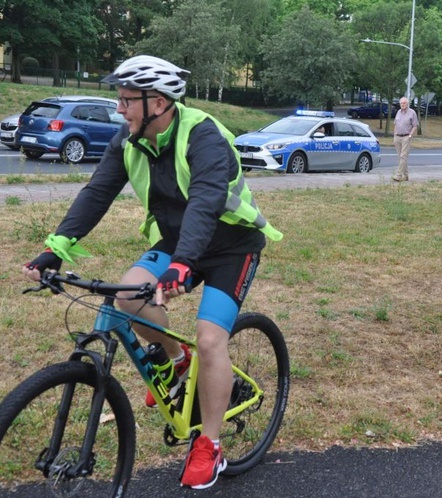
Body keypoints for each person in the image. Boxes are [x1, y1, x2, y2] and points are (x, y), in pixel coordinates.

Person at [21, 55, 283, 490]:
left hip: (230, 247)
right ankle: (178, 363)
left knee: (211, 337)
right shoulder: (128, 139)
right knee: (128, 296)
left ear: (157, 102)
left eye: (126, 101)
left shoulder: (203, 135)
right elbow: (98, 191)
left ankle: (210, 445)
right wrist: (56, 247)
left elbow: (205, 200)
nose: (119, 110)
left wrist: (183, 266)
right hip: (178, 243)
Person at [392, 97, 419, 182]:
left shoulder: (412, 112)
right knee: (401, 157)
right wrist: (394, 135)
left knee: (403, 156)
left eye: (404, 103)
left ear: (407, 104)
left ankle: (399, 175)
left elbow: (415, 125)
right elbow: (395, 124)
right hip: (397, 136)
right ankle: (406, 175)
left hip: (406, 136)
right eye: (401, 103)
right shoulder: (398, 112)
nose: (402, 105)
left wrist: (411, 135)